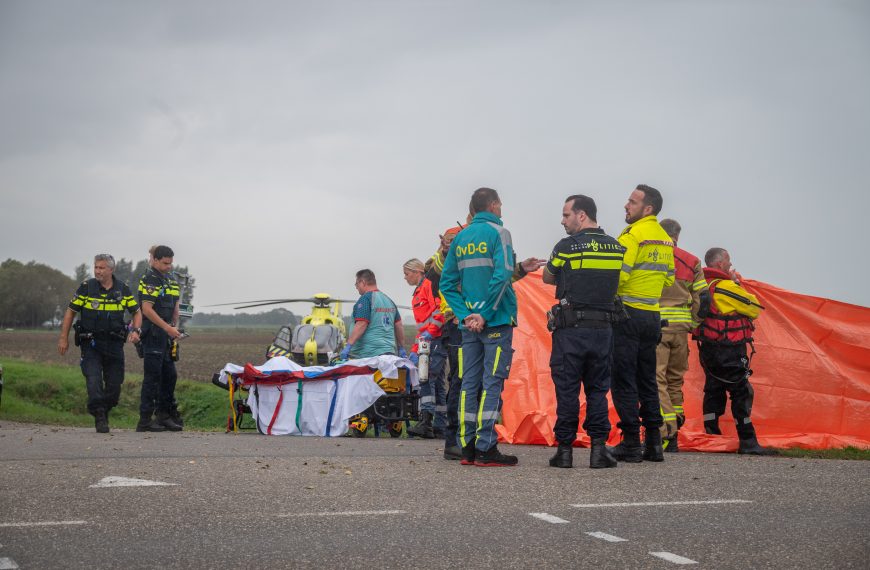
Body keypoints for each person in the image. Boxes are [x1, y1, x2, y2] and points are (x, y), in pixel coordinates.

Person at [440, 187, 545, 467]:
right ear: (494, 205)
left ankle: (467, 449)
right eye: (500, 204)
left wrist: (466, 315)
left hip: (468, 326)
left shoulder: (460, 238)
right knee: (491, 384)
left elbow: (446, 284)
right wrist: (484, 314)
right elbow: (500, 279)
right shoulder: (501, 234)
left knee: (467, 385)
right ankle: (487, 448)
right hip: (495, 321)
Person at [543, 195, 624, 469]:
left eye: (566, 215)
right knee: (598, 391)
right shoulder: (616, 248)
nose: (562, 221)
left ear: (582, 215)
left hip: (571, 332)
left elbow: (548, 276)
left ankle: (564, 452)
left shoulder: (567, 246)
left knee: (567, 390)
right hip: (603, 331)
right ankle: (598, 450)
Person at [608, 185, 675, 463]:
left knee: (623, 380)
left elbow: (619, 276)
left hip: (627, 315)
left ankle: (631, 443)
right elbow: (669, 279)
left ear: (648, 209)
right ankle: (654, 444)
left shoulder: (633, 234)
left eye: (632, 202)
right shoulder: (664, 239)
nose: (626, 205)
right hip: (652, 316)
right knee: (647, 379)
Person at [694, 248, 775, 455]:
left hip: (708, 349)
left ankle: (711, 436)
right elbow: (755, 309)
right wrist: (737, 284)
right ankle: (748, 441)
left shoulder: (701, 285)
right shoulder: (726, 286)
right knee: (741, 391)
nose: (730, 264)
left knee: (714, 389)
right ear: (720, 264)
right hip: (729, 349)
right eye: (728, 260)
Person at [58, 254, 142, 433]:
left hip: (114, 345)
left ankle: (103, 408)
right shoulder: (86, 288)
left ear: (111, 270)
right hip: (91, 344)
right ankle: (100, 415)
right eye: (96, 267)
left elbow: (137, 312)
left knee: (114, 388)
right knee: (93, 381)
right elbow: (70, 312)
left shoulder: (123, 289)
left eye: (102, 268)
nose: (97, 271)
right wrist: (63, 338)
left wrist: (135, 330)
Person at [655, 219, 710, 452]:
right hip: (681, 330)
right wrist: (693, 323)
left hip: (656, 327)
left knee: (656, 379)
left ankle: (665, 433)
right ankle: (675, 433)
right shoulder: (692, 261)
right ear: (678, 235)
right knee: (675, 381)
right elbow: (704, 299)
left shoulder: (653, 257)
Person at [137, 245, 183, 432]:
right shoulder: (150, 279)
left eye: (170, 263)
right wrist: (166, 328)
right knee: (152, 378)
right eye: (165, 263)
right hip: (154, 335)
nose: (168, 267)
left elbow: (175, 306)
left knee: (170, 376)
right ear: (155, 260)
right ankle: (145, 420)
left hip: (167, 336)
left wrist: (175, 327)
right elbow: (146, 309)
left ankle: (164, 416)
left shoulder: (170, 280)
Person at [401, 258, 448, 439]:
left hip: (435, 338)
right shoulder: (419, 291)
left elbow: (438, 312)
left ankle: (426, 422)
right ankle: (440, 424)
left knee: (426, 378)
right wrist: (415, 347)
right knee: (437, 383)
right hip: (429, 339)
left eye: (407, 274)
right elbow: (422, 325)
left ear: (417, 271)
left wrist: (431, 334)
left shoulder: (429, 285)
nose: (405, 278)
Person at [340, 269, 407, 360]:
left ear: (363, 282)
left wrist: (348, 346)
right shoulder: (389, 300)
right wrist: (401, 348)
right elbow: (398, 325)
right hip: (389, 354)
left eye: (357, 284)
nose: (356, 287)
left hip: (368, 356)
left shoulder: (365, 299)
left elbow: (361, 324)